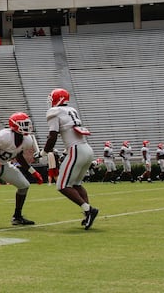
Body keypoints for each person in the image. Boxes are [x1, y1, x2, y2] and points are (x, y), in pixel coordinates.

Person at [43, 88, 99, 230]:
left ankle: (88, 210)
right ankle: (87, 214)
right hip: (87, 149)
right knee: (76, 184)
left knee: (62, 185)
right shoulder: (71, 110)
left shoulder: (54, 112)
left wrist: (44, 152)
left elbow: (52, 136)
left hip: (75, 150)